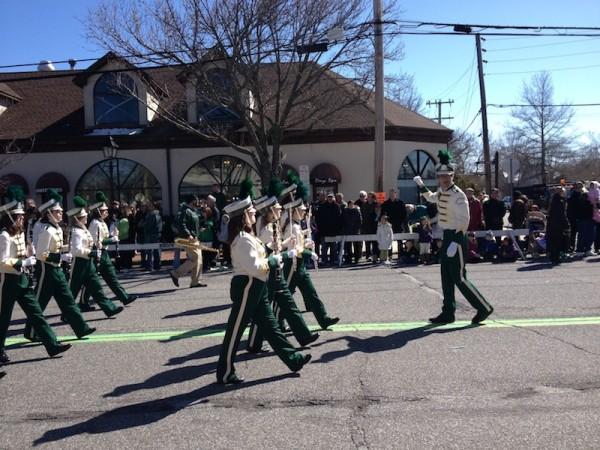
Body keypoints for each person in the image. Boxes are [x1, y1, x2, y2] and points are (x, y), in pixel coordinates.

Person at [216, 196, 311, 384]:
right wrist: (275, 260)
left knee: (272, 327)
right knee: (235, 331)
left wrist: (278, 251)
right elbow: (255, 267)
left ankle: (293, 359)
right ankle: (225, 372)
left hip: (256, 286)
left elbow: (260, 255)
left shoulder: (247, 236)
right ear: (243, 216)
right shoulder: (243, 239)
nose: (254, 214)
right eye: (250, 212)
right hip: (248, 285)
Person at [414, 149, 494, 324]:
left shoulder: (458, 195)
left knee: (459, 277)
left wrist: (455, 242)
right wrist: (421, 186)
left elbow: (464, 221)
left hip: (456, 237)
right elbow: (433, 198)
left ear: (452, 176)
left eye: (447, 176)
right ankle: (448, 312)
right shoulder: (443, 191)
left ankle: (484, 307)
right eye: (441, 176)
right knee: (446, 277)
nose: (444, 178)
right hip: (447, 236)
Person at [0, 187, 71, 364]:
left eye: (22, 215)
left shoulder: (20, 232)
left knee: (36, 313)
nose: (23, 218)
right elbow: (1, 262)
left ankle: (51, 344)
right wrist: (22, 263)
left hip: (22, 280)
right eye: (19, 216)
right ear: (10, 217)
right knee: (3, 319)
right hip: (7, 281)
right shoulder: (4, 236)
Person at [247, 194, 319, 352]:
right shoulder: (265, 229)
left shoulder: (273, 225)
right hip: (268, 272)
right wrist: (287, 251)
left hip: (277, 271)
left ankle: (304, 335)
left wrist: (287, 242)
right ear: (270, 211)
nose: (280, 211)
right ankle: (253, 344)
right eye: (277, 209)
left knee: (289, 304)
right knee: (263, 311)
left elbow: (276, 246)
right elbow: (266, 252)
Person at [22, 191, 96, 342]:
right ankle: (30, 332)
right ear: (49, 213)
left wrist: (64, 250)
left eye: (61, 211)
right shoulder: (46, 230)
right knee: (39, 304)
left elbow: (54, 248)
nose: (61, 213)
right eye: (57, 211)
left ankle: (81, 328)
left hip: (57, 269)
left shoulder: (56, 228)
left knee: (68, 300)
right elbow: (41, 254)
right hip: (46, 270)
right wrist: (60, 256)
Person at [282, 197, 340, 329]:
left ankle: (323, 319)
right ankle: (278, 322)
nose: (304, 212)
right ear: (295, 211)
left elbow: (299, 244)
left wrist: (307, 242)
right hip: (293, 265)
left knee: (311, 294)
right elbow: (295, 249)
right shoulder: (292, 227)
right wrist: (309, 252)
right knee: (285, 297)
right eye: (301, 211)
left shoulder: (296, 226)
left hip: (300, 266)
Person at [67, 198, 124, 318]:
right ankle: (67, 314)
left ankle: (109, 308)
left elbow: (91, 243)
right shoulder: (76, 231)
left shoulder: (84, 229)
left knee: (97, 288)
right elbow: (76, 250)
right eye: (83, 217)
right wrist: (91, 252)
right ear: (77, 218)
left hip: (88, 263)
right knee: (72, 291)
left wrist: (96, 246)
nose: (86, 218)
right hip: (79, 264)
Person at [82, 192, 137, 308]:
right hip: (97, 254)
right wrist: (112, 239)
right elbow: (97, 242)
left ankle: (124, 297)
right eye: (104, 210)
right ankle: (83, 302)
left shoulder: (102, 223)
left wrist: (112, 236)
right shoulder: (95, 223)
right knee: (92, 280)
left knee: (111, 278)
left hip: (104, 253)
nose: (107, 212)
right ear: (98, 212)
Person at [169, 195, 206, 288]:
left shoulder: (193, 210)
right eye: (196, 201)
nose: (198, 203)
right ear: (192, 201)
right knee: (195, 257)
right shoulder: (184, 210)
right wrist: (188, 234)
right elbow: (181, 223)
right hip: (187, 238)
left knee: (199, 260)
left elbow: (194, 222)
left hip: (194, 238)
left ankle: (195, 281)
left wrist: (199, 229)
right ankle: (175, 273)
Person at [315, 193, 341, 266]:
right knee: (324, 248)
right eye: (329, 197)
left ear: (333, 198)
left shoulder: (337, 206)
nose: (330, 198)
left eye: (331, 197)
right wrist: (320, 228)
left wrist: (338, 229)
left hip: (334, 231)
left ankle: (333, 260)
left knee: (334, 247)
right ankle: (324, 260)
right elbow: (318, 218)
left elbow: (339, 218)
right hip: (324, 231)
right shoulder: (322, 206)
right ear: (327, 198)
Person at [381, 189, 407, 259]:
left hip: (398, 224)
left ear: (395, 194)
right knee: (389, 240)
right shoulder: (385, 203)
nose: (392, 195)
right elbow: (382, 214)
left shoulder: (400, 203)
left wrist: (403, 223)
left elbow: (404, 214)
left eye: (393, 194)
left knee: (399, 240)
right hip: (389, 225)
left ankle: (400, 255)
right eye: (390, 194)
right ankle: (389, 255)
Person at [546, 189, 570, 265]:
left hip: (551, 225)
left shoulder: (553, 201)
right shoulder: (560, 202)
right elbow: (562, 214)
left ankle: (553, 256)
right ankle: (556, 257)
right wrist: (566, 224)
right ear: (561, 193)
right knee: (558, 242)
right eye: (563, 192)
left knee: (552, 241)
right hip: (558, 225)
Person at [143, 201, 163, 271]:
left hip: (151, 234)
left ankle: (149, 266)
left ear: (153, 207)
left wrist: (145, 226)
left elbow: (148, 225)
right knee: (157, 250)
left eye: (150, 205)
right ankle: (157, 265)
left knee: (150, 251)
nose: (148, 207)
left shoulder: (151, 214)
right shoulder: (158, 214)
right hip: (157, 234)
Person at [341, 200, 362, 264]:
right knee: (348, 246)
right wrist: (344, 229)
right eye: (349, 204)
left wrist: (357, 229)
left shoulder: (357, 211)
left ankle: (356, 258)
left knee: (356, 246)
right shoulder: (345, 211)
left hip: (355, 231)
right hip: (347, 231)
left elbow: (360, 221)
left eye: (352, 204)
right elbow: (343, 221)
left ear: (353, 205)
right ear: (348, 205)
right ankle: (348, 259)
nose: (351, 205)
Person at [566, 182, 584, 252]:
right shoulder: (573, 195)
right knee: (573, 233)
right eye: (578, 187)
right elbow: (574, 206)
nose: (580, 188)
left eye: (580, 187)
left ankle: (574, 247)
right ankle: (572, 247)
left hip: (576, 216)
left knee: (576, 233)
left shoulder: (575, 194)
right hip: (574, 217)